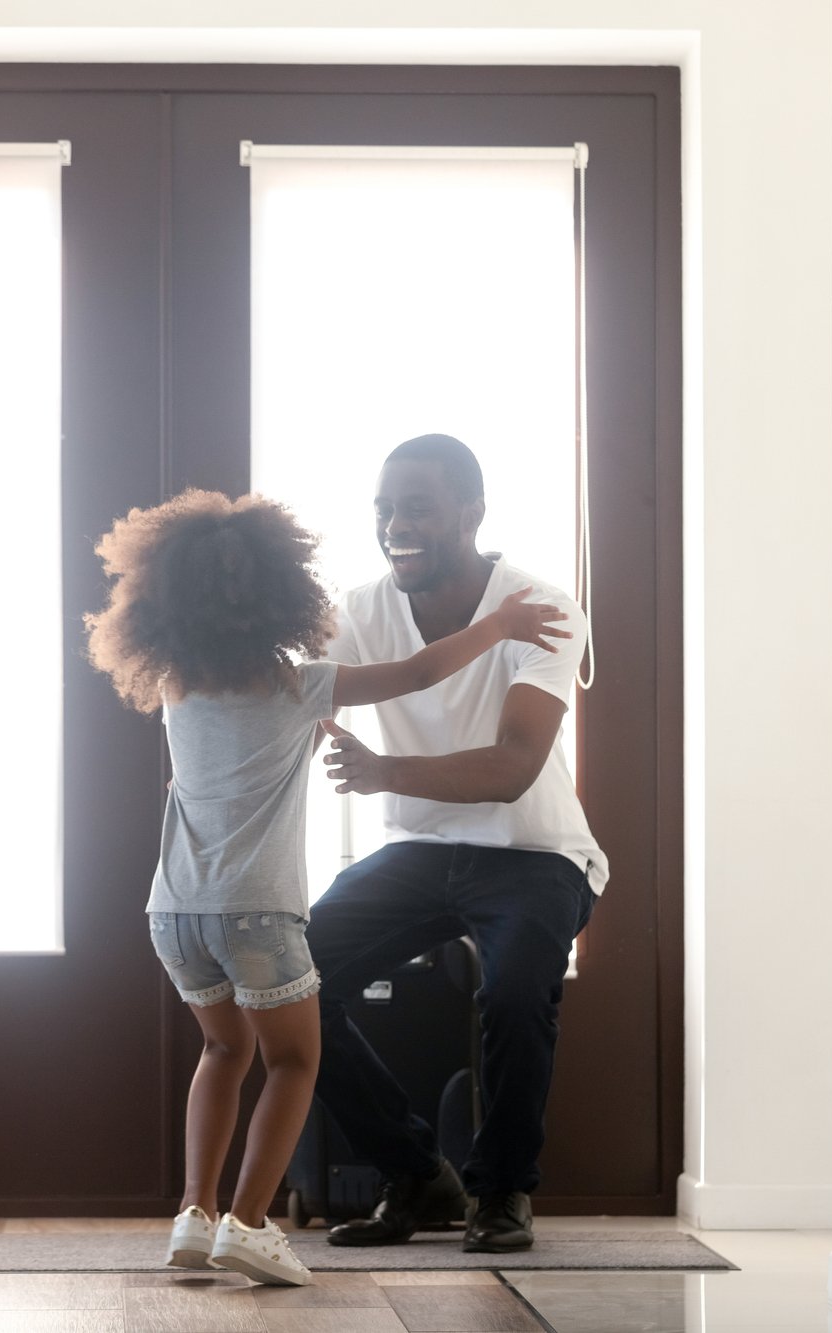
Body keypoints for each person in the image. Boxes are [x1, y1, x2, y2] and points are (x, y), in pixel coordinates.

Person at [83, 489, 570, 1286]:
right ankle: (249, 1223)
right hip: (259, 915)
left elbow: (246, 758)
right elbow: (416, 671)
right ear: (278, 599)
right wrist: (498, 627)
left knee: (221, 1048)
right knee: (292, 1063)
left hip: (173, 914)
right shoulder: (297, 685)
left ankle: (194, 1213)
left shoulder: (175, 687)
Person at [311, 433, 605, 1255]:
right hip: (421, 848)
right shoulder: (360, 609)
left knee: (512, 991)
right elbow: (295, 709)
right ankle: (415, 1174)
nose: (394, 524)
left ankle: (502, 1189)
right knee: (289, 981)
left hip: (533, 850)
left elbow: (514, 768)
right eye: (383, 508)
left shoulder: (539, 607)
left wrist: (381, 770)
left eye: (417, 507)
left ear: (470, 512)